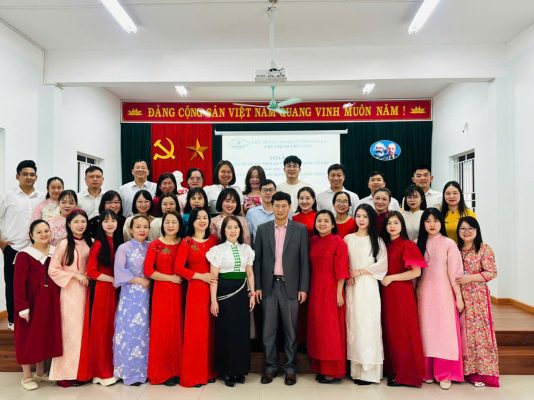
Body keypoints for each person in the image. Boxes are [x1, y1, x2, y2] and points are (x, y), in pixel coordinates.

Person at [253, 191, 310, 386]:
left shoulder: (300, 230)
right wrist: (258, 286)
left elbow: (304, 261)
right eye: (276, 205)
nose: (279, 209)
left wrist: (303, 287)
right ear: (272, 207)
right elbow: (258, 261)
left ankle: (290, 369)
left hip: (290, 286)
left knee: (290, 330)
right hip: (268, 286)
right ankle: (270, 367)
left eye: (283, 206)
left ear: (289, 207)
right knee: (268, 330)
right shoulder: (262, 229)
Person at [417, 208, 464, 390]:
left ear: (441, 223)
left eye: (435, 220)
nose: (432, 224)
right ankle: (427, 371)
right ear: (423, 223)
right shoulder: (417, 243)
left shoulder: (448, 243)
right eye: (428, 221)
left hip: (443, 294)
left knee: (444, 332)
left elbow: (455, 273)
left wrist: (458, 297)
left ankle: (445, 373)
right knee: (426, 332)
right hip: (424, 295)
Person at [207, 216, 256, 387]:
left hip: (242, 294)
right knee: (226, 332)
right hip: (223, 294)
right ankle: (227, 370)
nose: (233, 230)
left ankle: (240, 370)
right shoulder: (217, 250)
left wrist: (252, 294)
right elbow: (214, 277)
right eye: (229, 227)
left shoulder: (246, 249)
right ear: (224, 231)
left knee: (241, 332)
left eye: (236, 227)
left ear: (240, 230)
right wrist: (213, 301)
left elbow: (249, 273)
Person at [13, 219, 62, 391]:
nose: (44, 234)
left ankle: (41, 372)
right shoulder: (24, 255)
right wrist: (22, 308)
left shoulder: (56, 252)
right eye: (39, 232)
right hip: (31, 303)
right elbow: (18, 284)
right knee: (27, 338)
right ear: (31, 235)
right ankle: (26, 376)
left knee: (44, 335)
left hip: (50, 302)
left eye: (46, 231)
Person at [381, 212, 426, 387]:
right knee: (391, 332)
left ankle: (408, 375)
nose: (392, 226)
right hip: (387, 293)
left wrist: (392, 278)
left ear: (402, 225)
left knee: (403, 333)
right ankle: (395, 370)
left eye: (396, 223)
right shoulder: (386, 245)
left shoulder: (407, 245)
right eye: (389, 223)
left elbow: (416, 272)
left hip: (401, 294)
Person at [344, 204, 387, 385]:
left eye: (365, 216)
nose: (361, 220)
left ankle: (369, 372)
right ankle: (356, 370)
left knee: (369, 325)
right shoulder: (348, 239)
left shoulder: (377, 240)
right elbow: (343, 261)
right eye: (358, 216)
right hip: (351, 286)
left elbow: (382, 265)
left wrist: (360, 271)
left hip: (368, 286)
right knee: (354, 325)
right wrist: (348, 274)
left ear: (371, 219)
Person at [77, 210, 121, 386]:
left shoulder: (117, 242)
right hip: (103, 291)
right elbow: (92, 272)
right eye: (106, 221)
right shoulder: (99, 244)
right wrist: (112, 279)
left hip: (115, 290)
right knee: (101, 330)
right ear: (101, 224)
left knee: (112, 330)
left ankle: (109, 368)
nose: (110, 224)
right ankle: (99, 372)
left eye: (113, 220)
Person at [48, 209, 92, 387]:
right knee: (70, 333)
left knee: (84, 332)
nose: (80, 225)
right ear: (68, 224)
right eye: (76, 222)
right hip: (70, 293)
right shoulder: (64, 244)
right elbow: (53, 270)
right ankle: (66, 373)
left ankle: (83, 372)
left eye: (83, 221)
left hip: (88, 291)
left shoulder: (90, 242)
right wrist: (75, 275)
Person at [175, 208, 218, 387]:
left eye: (205, 217)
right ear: (192, 221)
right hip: (196, 289)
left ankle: (209, 371)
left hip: (214, 289)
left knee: (211, 331)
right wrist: (200, 276)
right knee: (196, 332)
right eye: (198, 218)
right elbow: (178, 268)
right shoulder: (187, 241)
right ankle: (194, 374)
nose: (202, 220)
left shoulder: (214, 240)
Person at [0, 160, 44, 330]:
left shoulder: (42, 197)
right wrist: (2, 242)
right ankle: (13, 320)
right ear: (17, 176)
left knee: (35, 285)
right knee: (12, 285)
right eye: (25, 174)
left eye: (32, 174)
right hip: (14, 248)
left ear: (36, 177)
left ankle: (34, 319)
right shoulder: (7, 196)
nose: (29, 177)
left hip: (36, 248)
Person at [456, 217, 499, 387]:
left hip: (478, 297)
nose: (466, 232)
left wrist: (470, 278)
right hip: (458, 295)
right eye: (463, 228)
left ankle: (480, 372)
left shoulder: (484, 248)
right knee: (462, 333)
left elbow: (492, 272)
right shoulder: (455, 249)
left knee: (479, 334)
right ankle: (463, 370)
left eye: (470, 228)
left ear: (476, 230)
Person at [307, 210, 349, 383]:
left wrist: (339, 293)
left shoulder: (338, 242)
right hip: (315, 289)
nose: (322, 224)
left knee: (330, 331)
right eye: (319, 220)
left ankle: (333, 371)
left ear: (333, 224)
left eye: (326, 221)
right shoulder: (312, 241)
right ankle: (320, 367)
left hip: (332, 290)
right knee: (317, 329)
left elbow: (342, 268)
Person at [144, 211, 185, 386]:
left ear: (179, 224)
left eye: (174, 222)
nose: (170, 225)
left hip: (182, 292)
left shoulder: (184, 243)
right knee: (162, 331)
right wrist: (171, 278)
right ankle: (163, 372)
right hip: (162, 292)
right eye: (167, 222)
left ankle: (178, 370)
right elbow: (148, 271)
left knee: (178, 330)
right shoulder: (155, 244)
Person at [113, 215, 151, 386]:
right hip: (130, 295)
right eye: (138, 226)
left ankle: (147, 370)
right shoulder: (124, 248)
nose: (142, 230)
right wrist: (139, 280)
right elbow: (119, 271)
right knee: (130, 331)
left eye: (145, 227)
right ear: (131, 229)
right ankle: (129, 371)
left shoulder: (151, 246)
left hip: (149, 295)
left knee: (146, 332)